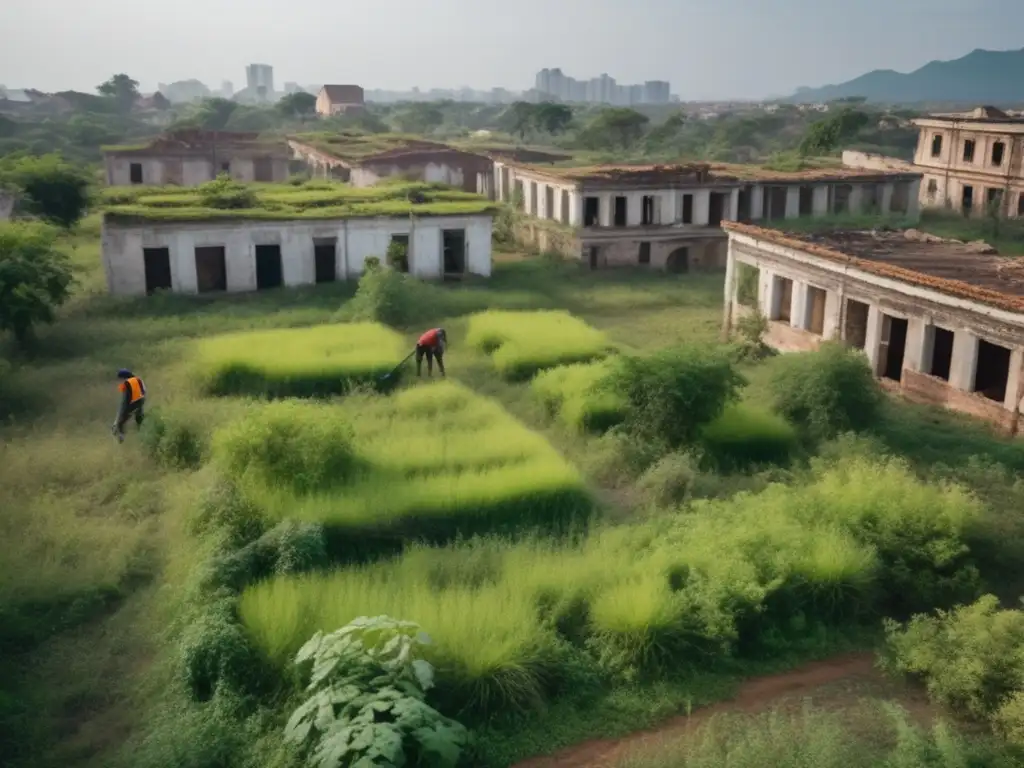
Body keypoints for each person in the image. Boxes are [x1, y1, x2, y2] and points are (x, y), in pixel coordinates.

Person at [112, 369, 146, 443]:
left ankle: (121, 440)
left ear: (123, 377)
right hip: (140, 402)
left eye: (120, 378)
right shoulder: (139, 379)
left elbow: (124, 401)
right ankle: (143, 437)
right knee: (140, 421)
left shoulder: (126, 383)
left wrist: (117, 420)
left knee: (120, 423)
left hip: (131, 404)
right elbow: (144, 392)